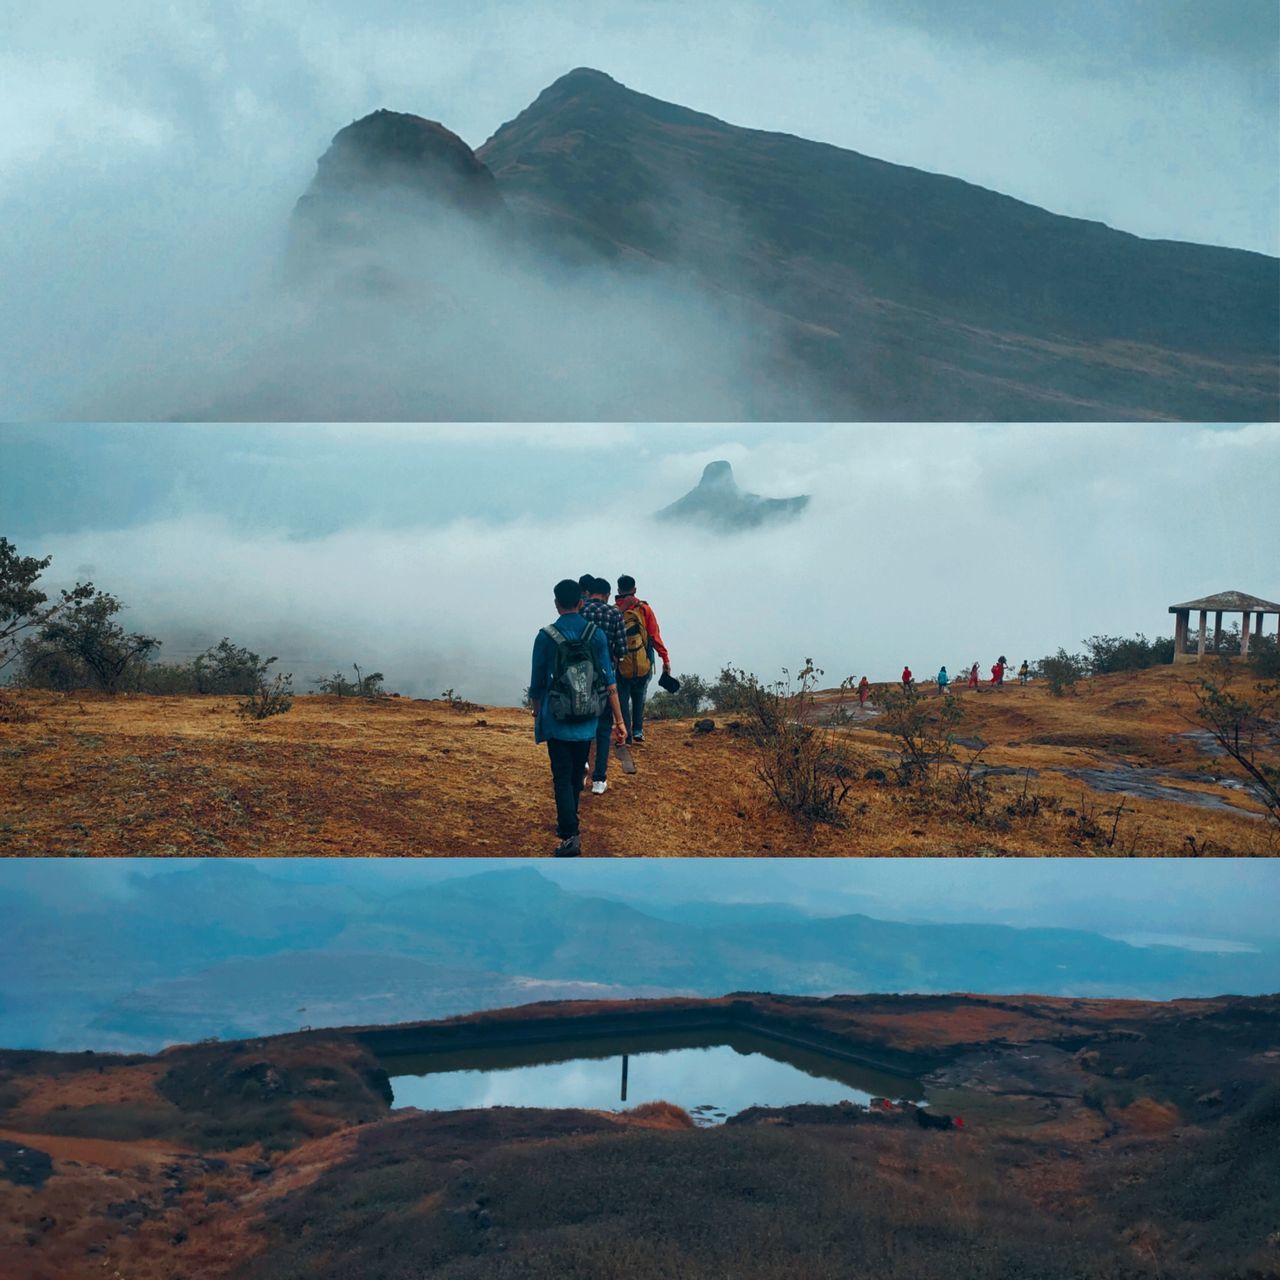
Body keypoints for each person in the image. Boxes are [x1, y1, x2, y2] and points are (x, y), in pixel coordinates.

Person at [529, 579, 626, 856]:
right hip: (587, 719)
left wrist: (537, 710)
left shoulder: (545, 636)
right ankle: (569, 824)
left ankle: (570, 832)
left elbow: (537, 683)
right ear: (580, 602)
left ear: (556, 603)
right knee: (574, 776)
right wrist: (619, 721)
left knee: (561, 775)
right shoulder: (595, 636)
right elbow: (609, 680)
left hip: (556, 718)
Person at [579, 576, 626, 795]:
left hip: (579, 678)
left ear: (589, 593)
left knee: (581, 725)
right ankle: (599, 780)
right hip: (606, 679)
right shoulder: (614, 613)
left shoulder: (580, 611)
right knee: (604, 728)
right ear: (607, 595)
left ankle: (581, 770)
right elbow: (622, 649)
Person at [613, 575, 670, 745]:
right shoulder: (645, 609)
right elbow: (654, 635)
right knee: (639, 695)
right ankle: (638, 730)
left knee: (622, 698)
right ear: (635, 589)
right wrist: (665, 658)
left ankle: (626, 734)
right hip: (644, 660)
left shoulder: (615, 610)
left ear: (618, 590)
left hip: (621, 663)